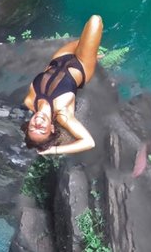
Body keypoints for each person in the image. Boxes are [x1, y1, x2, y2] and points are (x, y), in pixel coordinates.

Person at [23, 15, 103, 155]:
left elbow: (45, 79)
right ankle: (91, 56)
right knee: (95, 21)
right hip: (81, 65)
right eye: (42, 130)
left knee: (84, 41)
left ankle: (93, 53)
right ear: (52, 128)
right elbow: (89, 142)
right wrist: (51, 150)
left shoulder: (30, 101)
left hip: (58, 59)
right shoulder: (63, 113)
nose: (37, 124)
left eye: (32, 128)